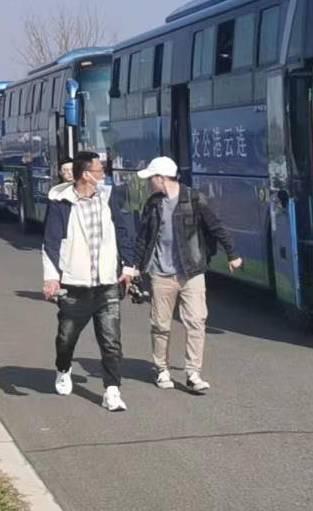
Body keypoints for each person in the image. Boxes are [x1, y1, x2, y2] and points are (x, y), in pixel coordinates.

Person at [131, 156, 239, 393]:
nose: (149, 183)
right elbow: (143, 238)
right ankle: (161, 369)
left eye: (151, 178)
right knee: (160, 324)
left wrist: (232, 254)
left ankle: (193, 373)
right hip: (161, 273)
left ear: (161, 178)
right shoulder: (153, 204)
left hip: (192, 271)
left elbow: (216, 226)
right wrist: (134, 266)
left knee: (196, 322)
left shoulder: (194, 199)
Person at [42, 151, 137, 412]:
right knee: (66, 339)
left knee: (111, 342)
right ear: (86, 175)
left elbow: (122, 231)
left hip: (107, 283)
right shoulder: (61, 203)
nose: (103, 173)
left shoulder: (107, 196)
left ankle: (112, 391)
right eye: (99, 170)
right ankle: (63, 369)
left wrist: (128, 266)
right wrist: (51, 277)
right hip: (75, 286)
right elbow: (51, 242)